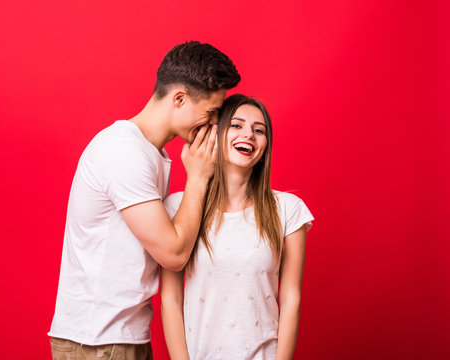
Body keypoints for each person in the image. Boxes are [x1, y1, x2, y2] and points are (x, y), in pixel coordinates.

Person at [48, 41, 240, 359]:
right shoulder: (125, 152)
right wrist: (198, 178)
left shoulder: (150, 152)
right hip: (98, 343)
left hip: (118, 338)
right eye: (210, 112)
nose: (213, 123)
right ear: (179, 99)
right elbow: (173, 254)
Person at [161, 94, 314, 360]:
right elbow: (170, 300)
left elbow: (291, 299)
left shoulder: (288, 209)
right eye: (237, 125)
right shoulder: (179, 206)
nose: (249, 135)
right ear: (214, 135)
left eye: (259, 130)